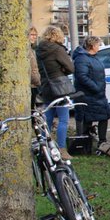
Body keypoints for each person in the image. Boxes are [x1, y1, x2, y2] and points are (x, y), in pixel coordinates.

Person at [35, 25, 74, 160]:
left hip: (46, 86)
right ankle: (62, 149)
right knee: (63, 119)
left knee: (48, 118)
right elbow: (70, 67)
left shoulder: (39, 50)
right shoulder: (58, 49)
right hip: (59, 87)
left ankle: (45, 147)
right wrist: (63, 71)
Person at [72, 35, 110, 146]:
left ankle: (101, 141)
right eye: (98, 44)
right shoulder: (82, 59)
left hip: (97, 95)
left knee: (104, 117)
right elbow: (82, 76)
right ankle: (87, 143)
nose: (99, 46)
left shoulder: (92, 57)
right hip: (89, 95)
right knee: (89, 119)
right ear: (92, 45)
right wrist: (96, 87)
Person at [27, 26, 41, 109]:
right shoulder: (28, 50)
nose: (34, 37)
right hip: (31, 84)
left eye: (35, 35)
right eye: (32, 35)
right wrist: (37, 81)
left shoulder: (32, 50)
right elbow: (32, 69)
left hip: (33, 84)